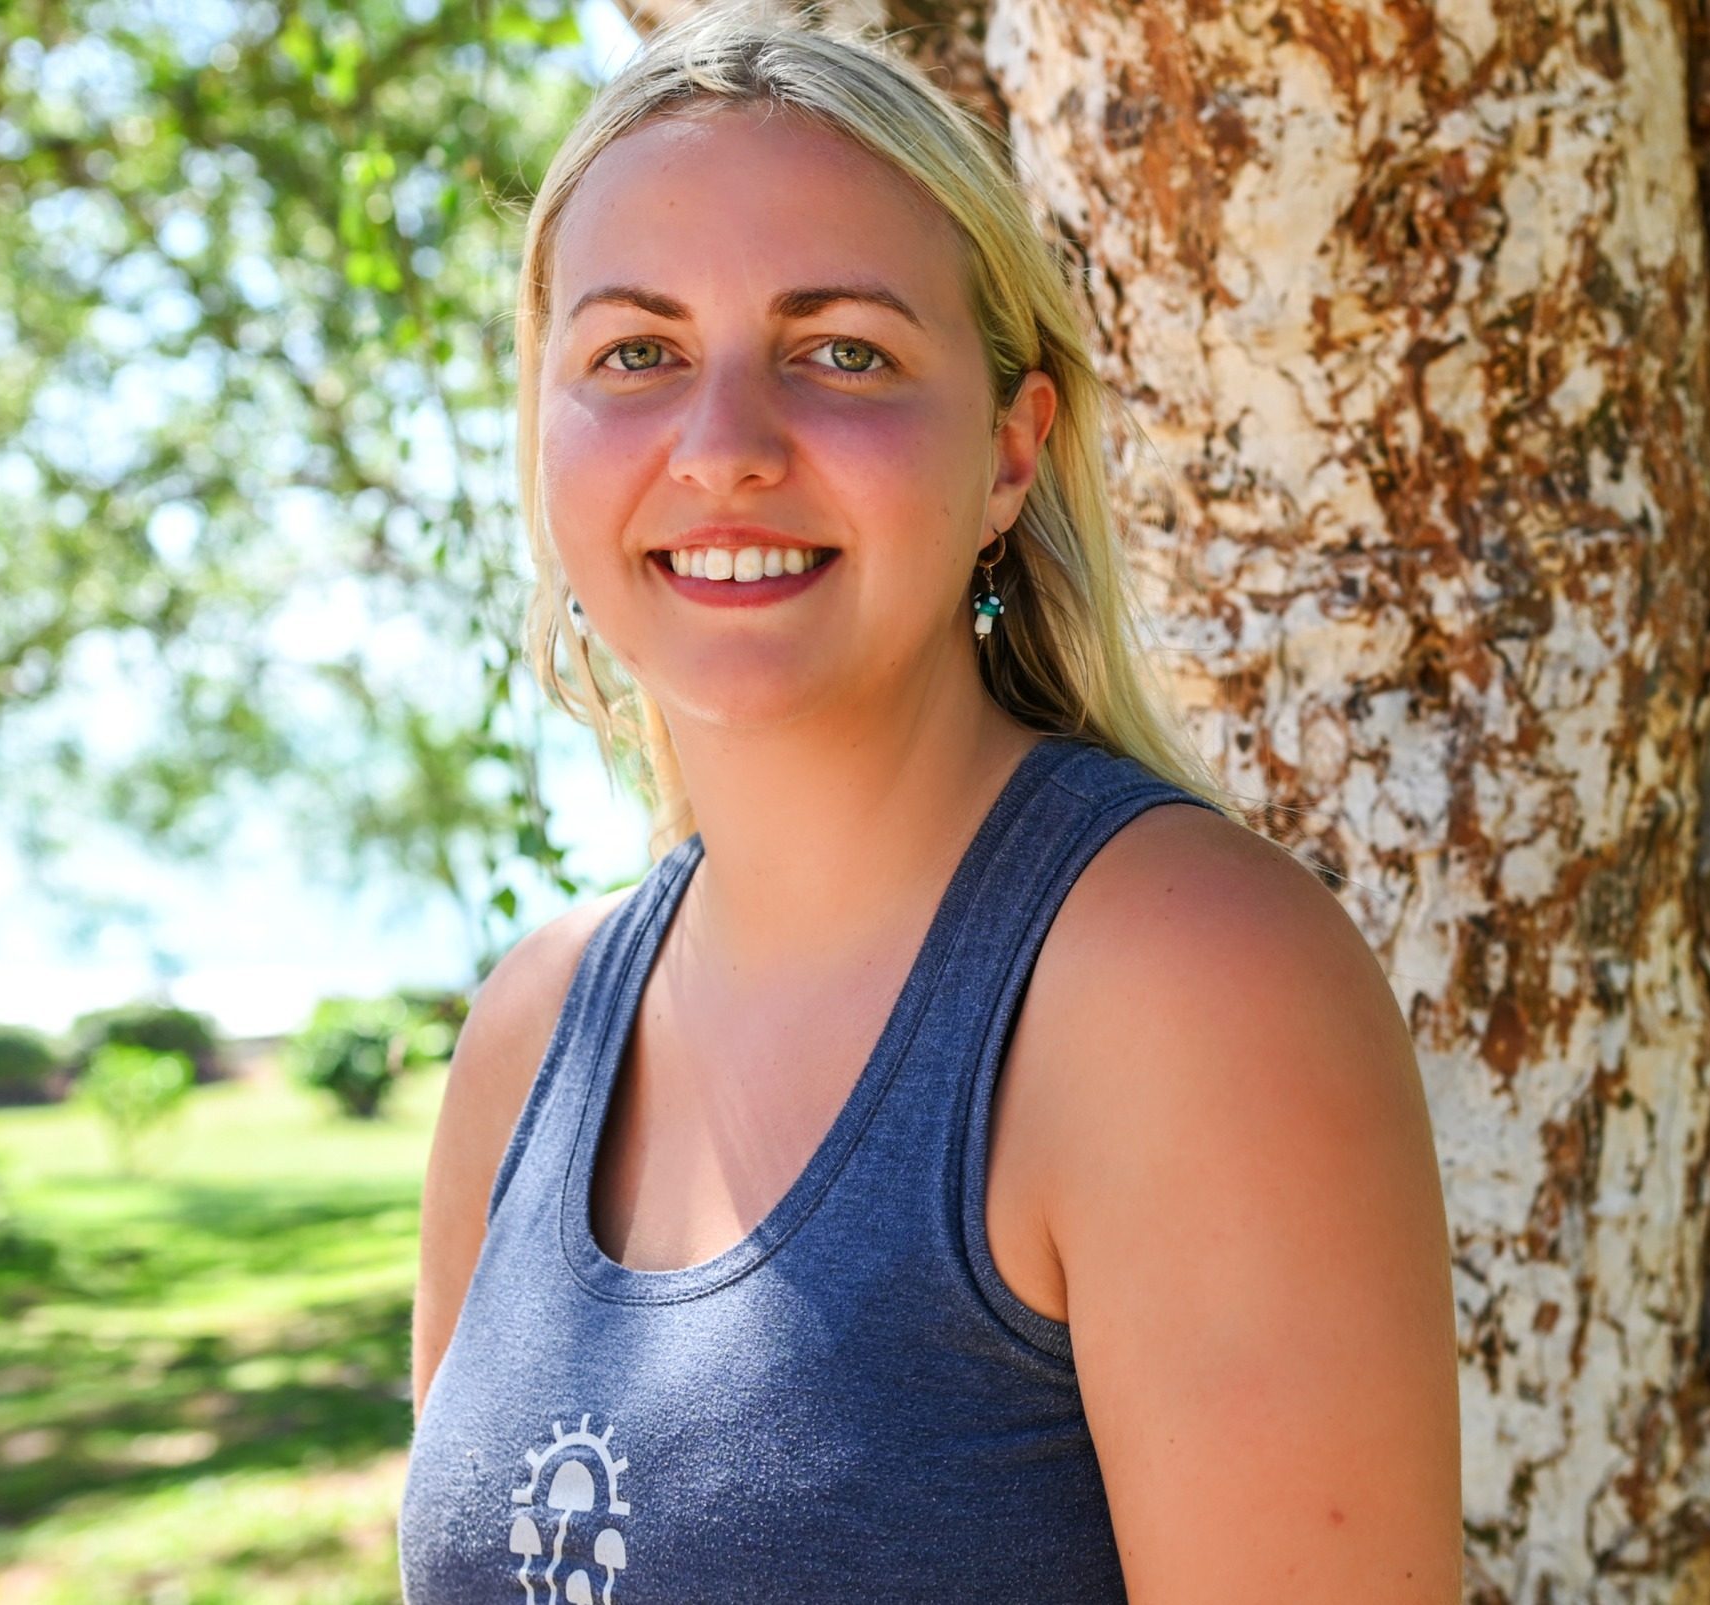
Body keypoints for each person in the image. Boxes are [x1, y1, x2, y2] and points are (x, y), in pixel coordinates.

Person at [398, 5, 1463, 1601]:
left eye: (843, 352)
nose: (723, 447)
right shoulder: (528, 1037)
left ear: (1010, 454)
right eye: (636, 352)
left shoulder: (1183, 982)